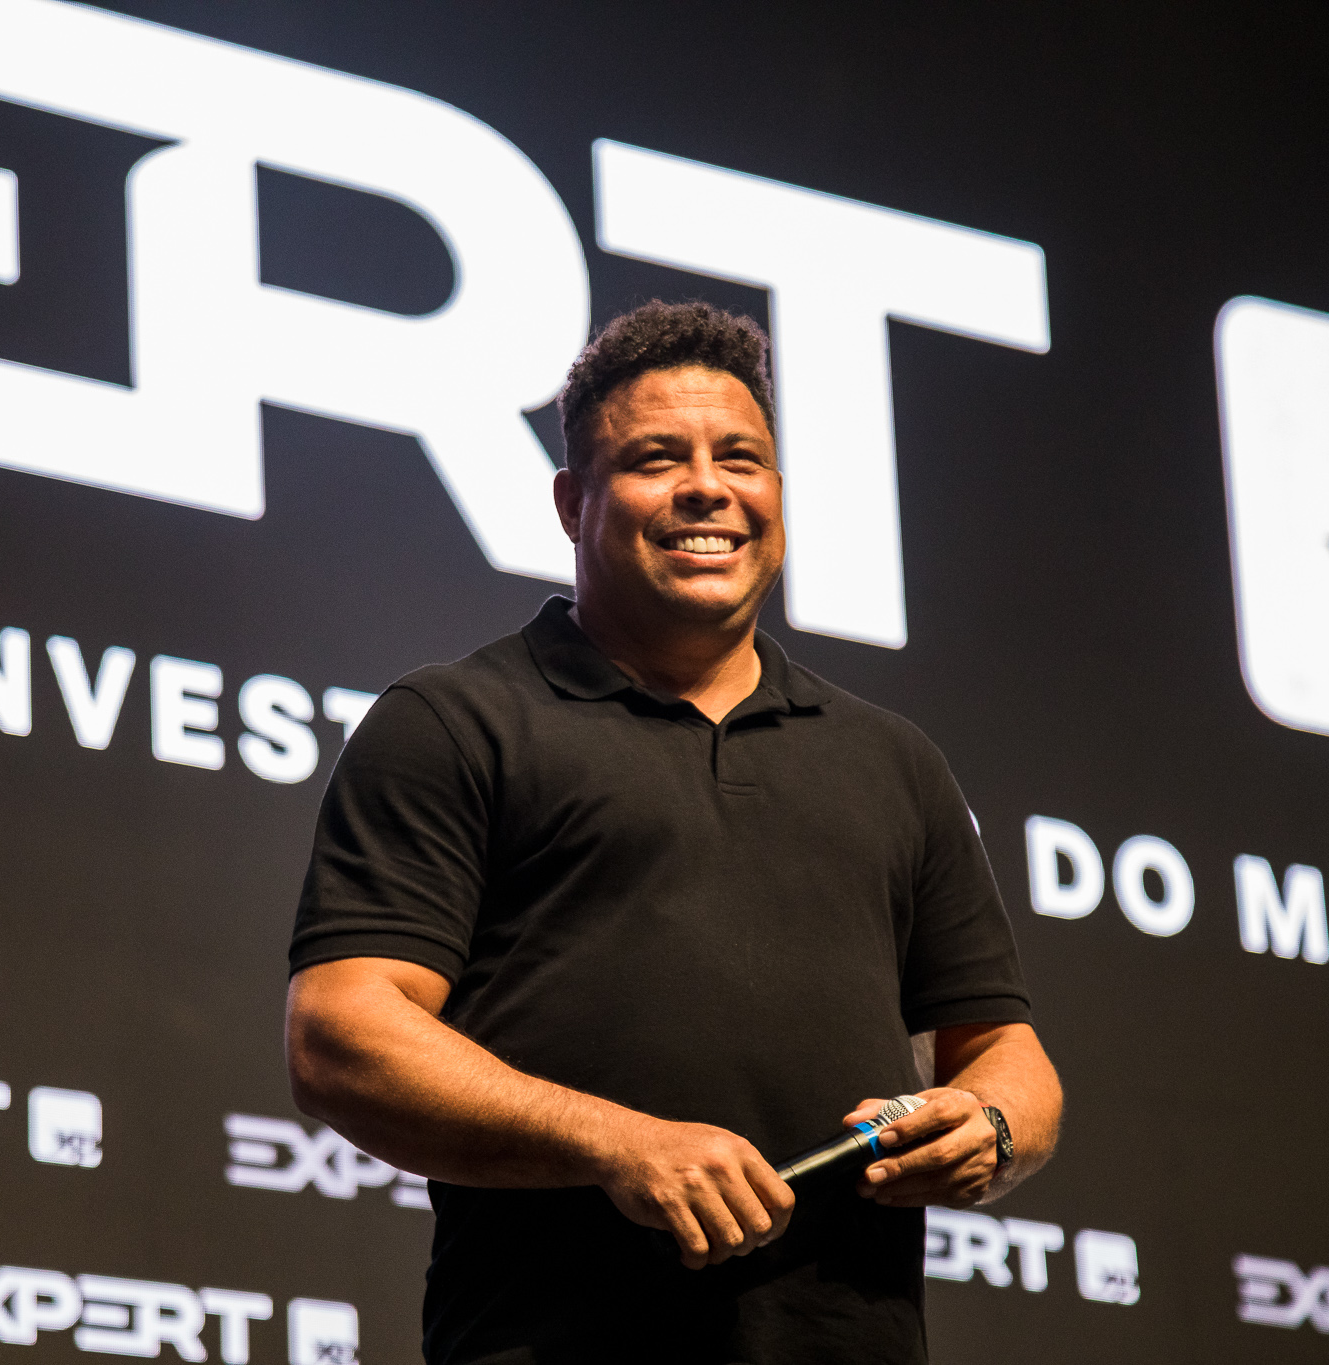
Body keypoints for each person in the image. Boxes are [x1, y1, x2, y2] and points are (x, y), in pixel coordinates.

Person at [284, 301, 1062, 1364]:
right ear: (573, 504)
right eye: (657, 459)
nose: (708, 487)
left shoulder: (892, 759)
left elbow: (1004, 1050)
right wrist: (617, 1142)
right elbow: (341, 1034)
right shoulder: (456, 721)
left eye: (740, 458)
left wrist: (993, 1125)